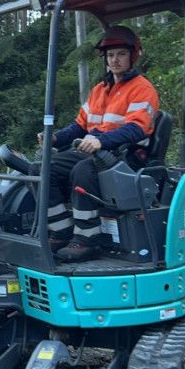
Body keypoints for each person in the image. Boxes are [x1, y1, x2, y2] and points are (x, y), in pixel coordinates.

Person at [38, 26, 159, 262]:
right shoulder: (99, 90)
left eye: (121, 54)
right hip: (96, 150)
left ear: (132, 56)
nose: (115, 60)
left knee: (83, 170)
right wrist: (55, 138)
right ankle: (61, 231)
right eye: (111, 55)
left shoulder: (143, 88)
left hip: (126, 155)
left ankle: (87, 239)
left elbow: (137, 128)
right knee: (44, 167)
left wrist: (100, 141)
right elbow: (79, 125)